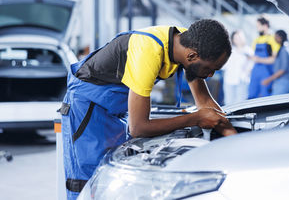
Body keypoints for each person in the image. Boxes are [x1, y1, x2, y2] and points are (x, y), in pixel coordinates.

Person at [60, 19, 237, 199]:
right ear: (192, 56)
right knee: (89, 181)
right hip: (87, 107)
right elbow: (138, 128)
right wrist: (195, 119)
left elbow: (205, 102)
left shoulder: (186, 40)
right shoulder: (148, 52)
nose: (211, 75)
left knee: (113, 180)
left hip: (114, 108)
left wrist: (235, 141)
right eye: (210, 68)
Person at [248, 17, 280, 99]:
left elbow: (274, 59)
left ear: (265, 26)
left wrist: (259, 60)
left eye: (258, 26)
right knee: (251, 95)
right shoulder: (256, 40)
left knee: (265, 97)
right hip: (255, 72)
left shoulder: (273, 39)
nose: (257, 28)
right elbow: (253, 56)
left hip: (266, 73)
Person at [223, 30, 253, 104]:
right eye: (236, 38)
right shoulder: (229, 51)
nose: (239, 40)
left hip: (242, 80)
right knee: (229, 102)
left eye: (240, 37)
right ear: (233, 40)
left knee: (241, 103)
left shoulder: (248, 50)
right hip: (229, 80)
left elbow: (252, 64)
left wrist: (247, 70)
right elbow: (223, 65)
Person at [262, 30, 289, 95]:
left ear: (280, 38)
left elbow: (283, 69)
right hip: (280, 81)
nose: (274, 39)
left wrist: (269, 80)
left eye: (276, 37)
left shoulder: (284, 50)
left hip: (282, 81)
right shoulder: (281, 49)